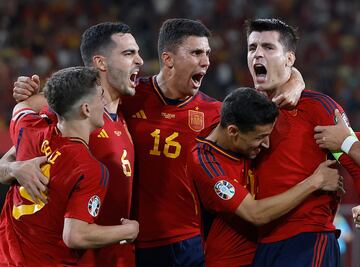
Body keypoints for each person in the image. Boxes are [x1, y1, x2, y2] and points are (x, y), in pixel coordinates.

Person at [10, 19, 304, 266]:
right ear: (168, 58)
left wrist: (295, 80)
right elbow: (42, 117)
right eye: (197, 53)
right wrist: (12, 168)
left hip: (184, 242)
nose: (207, 62)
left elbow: (260, 117)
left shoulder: (216, 113)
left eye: (208, 54)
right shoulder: (125, 96)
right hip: (118, 242)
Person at [7, 22, 143, 267]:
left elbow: (22, 123)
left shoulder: (129, 110)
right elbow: (12, 158)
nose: (140, 61)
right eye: (128, 53)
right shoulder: (62, 110)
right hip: (70, 257)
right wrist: (14, 169)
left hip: (117, 256)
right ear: (100, 63)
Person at [243, 18, 360, 267]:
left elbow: (353, 163)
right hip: (261, 243)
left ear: (290, 59)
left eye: (268, 47)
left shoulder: (318, 108)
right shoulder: (244, 110)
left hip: (307, 239)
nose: (257, 55)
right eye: (252, 48)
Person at [188, 87, 342, 267]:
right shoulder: (206, 162)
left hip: (264, 255)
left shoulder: (238, 122)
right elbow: (255, 214)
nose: (267, 144)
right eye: (260, 137)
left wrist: (295, 77)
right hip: (230, 262)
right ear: (232, 131)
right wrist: (315, 181)